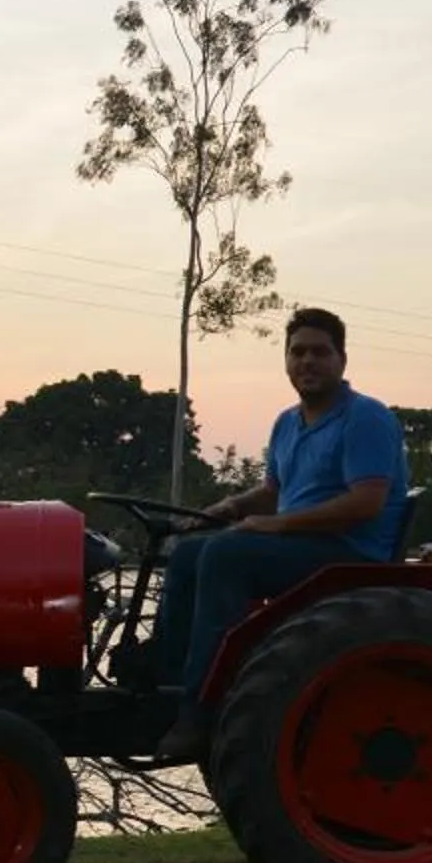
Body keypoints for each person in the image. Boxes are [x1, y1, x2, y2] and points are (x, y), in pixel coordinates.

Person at [150, 307, 409, 759]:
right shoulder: (287, 422)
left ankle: (205, 705)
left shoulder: (364, 417)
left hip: (348, 553)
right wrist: (225, 509)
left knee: (227, 556)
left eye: (319, 352)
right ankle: (163, 688)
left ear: (341, 360)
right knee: (190, 553)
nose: (307, 362)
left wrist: (276, 525)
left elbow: (365, 503)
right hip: (301, 546)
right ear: (286, 361)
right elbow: (274, 491)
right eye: (298, 352)